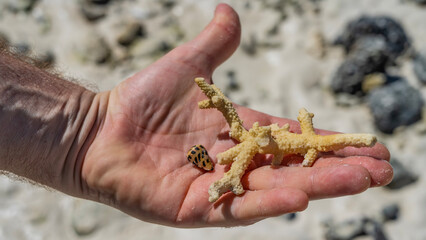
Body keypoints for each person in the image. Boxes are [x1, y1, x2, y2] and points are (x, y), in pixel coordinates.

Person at [0, 4, 392, 228]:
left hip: (268, 144)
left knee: (336, 150)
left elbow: (247, 148)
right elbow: (241, 150)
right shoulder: (240, 148)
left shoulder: (244, 146)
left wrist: (80, 132)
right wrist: (79, 133)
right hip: (263, 144)